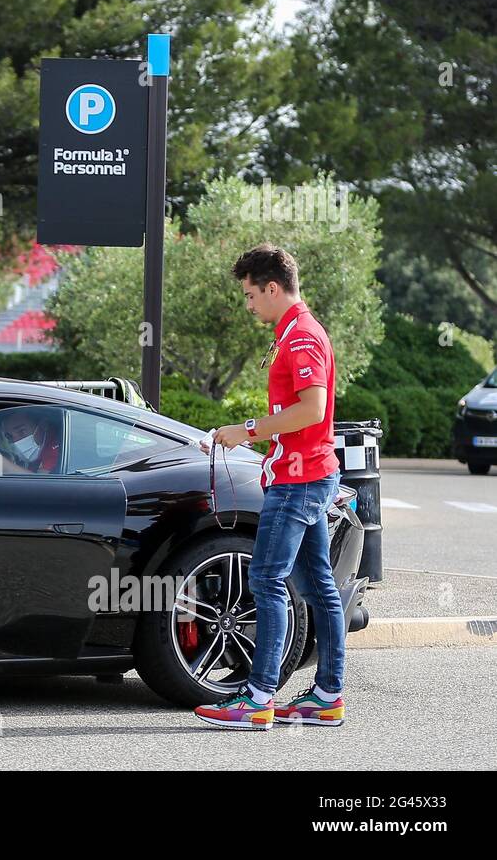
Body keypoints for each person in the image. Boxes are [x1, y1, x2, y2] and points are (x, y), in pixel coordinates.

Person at [193, 243, 346, 731]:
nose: (248, 304)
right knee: (318, 586)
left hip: (299, 482)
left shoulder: (301, 337)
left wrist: (247, 430)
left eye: (250, 294)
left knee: (266, 580)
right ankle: (326, 696)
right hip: (310, 474)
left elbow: (312, 409)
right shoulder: (297, 332)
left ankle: (258, 697)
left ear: (273, 288)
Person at [0, 407, 62, 474]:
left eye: (21, 431)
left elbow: (38, 485)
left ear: (44, 425)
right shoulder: (39, 448)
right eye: (9, 436)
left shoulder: (58, 447)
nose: (16, 441)